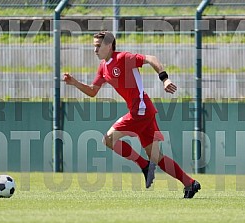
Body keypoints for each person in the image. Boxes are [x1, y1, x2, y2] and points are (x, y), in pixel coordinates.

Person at [63, 31, 201, 198]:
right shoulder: (103, 67)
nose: (95, 50)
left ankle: (144, 165)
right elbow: (93, 92)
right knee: (156, 157)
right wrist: (74, 82)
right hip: (143, 110)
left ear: (109, 45)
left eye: (98, 46)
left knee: (108, 139)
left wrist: (165, 79)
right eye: (94, 46)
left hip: (140, 110)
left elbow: (151, 59)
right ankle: (190, 183)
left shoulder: (123, 58)